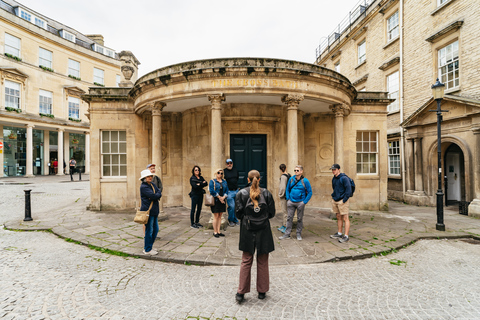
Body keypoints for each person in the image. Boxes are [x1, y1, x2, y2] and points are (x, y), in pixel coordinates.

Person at [234, 170, 275, 303]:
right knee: (263, 260)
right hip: (263, 229)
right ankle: (262, 291)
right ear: (259, 179)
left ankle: (241, 292)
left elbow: (238, 214)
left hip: (247, 229)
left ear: (247, 179)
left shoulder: (241, 193)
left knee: (246, 260)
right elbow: (272, 213)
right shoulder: (267, 193)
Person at [280, 165, 312, 241]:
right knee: (289, 218)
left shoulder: (305, 181)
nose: (296, 172)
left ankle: (298, 234)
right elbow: (287, 189)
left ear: (301, 171)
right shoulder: (291, 179)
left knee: (299, 218)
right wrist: (288, 199)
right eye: (295, 170)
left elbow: (310, 192)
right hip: (291, 202)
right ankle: (287, 234)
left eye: (297, 170)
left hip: (300, 202)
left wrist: (304, 202)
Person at [139, 169, 162, 255]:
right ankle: (147, 249)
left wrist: (155, 195)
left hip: (154, 211)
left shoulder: (152, 184)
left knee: (155, 230)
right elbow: (153, 195)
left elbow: (159, 192)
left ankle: (149, 246)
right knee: (149, 230)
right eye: (148, 176)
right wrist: (155, 195)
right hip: (148, 212)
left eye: (151, 176)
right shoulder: (143, 187)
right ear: (144, 178)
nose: (150, 177)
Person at [329, 164, 352, 243]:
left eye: (334, 169)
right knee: (338, 216)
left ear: (339, 169)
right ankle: (339, 233)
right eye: (332, 170)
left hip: (342, 201)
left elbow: (348, 190)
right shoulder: (334, 178)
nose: (333, 171)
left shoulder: (344, 178)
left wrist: (344, 200)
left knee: (345, 218)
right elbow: (334, 188)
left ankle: (346, 236)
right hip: (336, 200)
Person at [209, 169, 229, 238]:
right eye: (218, 173)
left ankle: (218, 231)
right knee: (216, 216)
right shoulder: (212, 181)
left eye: (221, 173)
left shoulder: (224, 181)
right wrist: (219, 197)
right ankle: (215, 231)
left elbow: (227, 190)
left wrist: (223, 197)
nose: (220, 174)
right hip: (216, 201)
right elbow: (212, 191)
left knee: (220, 215)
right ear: (216, 173)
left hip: (222, 200)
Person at [224, 159, 240, 227]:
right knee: (231, 206)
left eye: (230, 163)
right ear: (226, 164)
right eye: (228, 163)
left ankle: (235, 219)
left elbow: (237, 178)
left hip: (236, 190)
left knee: (236, 207)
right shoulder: (224, 171)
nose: (229, 164)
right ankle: (230, 220)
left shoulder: (235, 170)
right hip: (229, 191)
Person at [277, 164, 290, 233]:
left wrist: (280, 194)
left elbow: (282, 187)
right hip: (288, 196)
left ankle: (285, 226)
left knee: (285, 212)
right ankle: (284, 225)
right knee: (287, 211)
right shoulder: (289, 175)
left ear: (280, 169)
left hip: (284, 196)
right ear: (286, 168)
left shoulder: (283, 177)